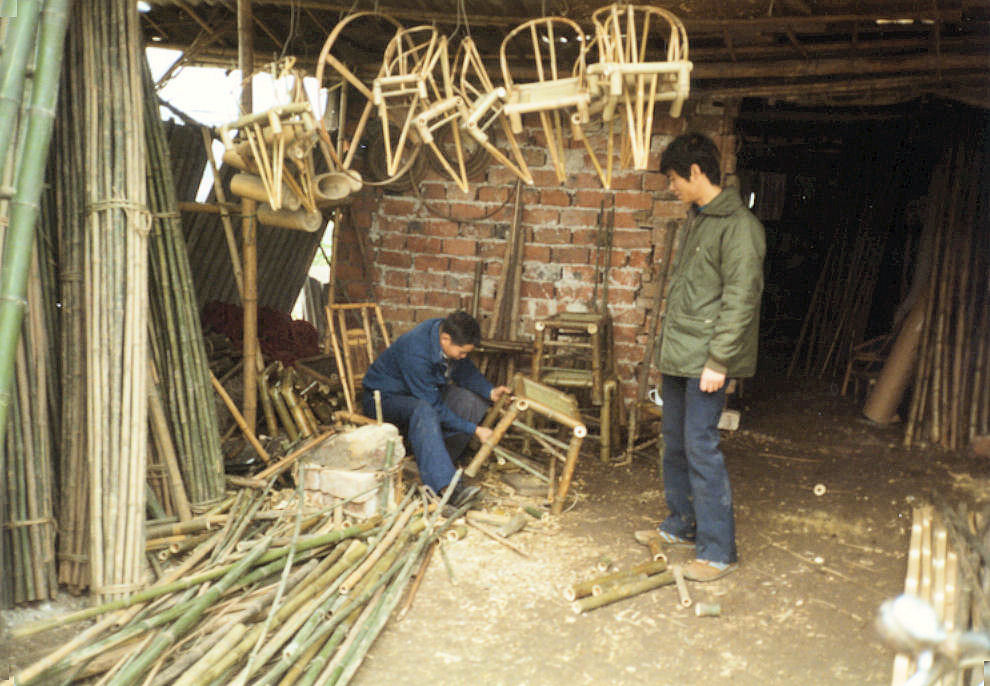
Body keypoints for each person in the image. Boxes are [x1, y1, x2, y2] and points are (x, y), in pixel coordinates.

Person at [648, 133, 766, 582]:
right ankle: (681, 524)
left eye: (675, 178)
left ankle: (718, 551)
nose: (672, 187)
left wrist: (718, 361)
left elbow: (741, 300)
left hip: (705, 362)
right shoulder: (700, 218)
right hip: (681, 355)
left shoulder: (740, 228)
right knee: (674, 443)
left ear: (696, 173)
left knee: (701, 447)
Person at [361, 311, 511, 506]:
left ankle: (438, 462)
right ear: (445, 339)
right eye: (462, 352)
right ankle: (446, 488)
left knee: (472, 401)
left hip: (418, 394)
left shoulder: (445, 332)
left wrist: (490, 391)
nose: (464, 356)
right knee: (425, 410)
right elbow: (434, 407)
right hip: (384, 399)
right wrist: (475, 430)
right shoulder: (415, 351)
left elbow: (464, 369)